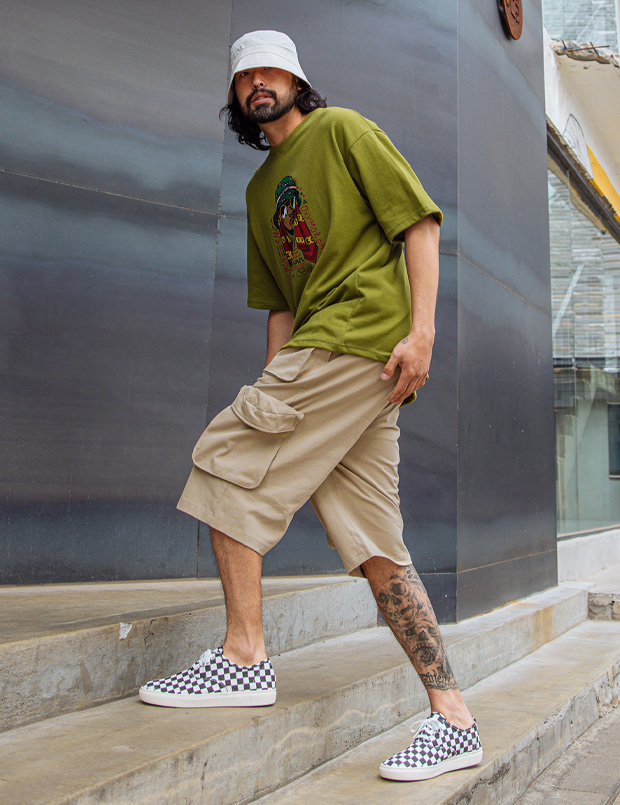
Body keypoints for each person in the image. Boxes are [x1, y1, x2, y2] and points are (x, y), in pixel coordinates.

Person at [139, 29, 483, 783]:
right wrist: (275, 389)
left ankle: (243, 657)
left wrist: (423, 333)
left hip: (358, 338)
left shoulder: (342, 130)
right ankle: (454, 716)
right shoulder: (260, 191)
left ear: (297, 79)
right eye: (245, 76)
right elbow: (281, 308)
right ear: (237, 97)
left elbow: (419, 223)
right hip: (324, 359)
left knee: (224, 458)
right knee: (377, 545)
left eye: (272, 70)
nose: (258, 82)